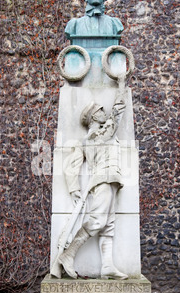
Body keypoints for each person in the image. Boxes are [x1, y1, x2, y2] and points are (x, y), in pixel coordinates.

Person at [54, 90, 128, 280]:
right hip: (103, 179)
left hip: (110, 180)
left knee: (108, 225)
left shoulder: (87, 140)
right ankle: (68, 255)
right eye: (101, 110)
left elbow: (71, 168)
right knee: (98, 220)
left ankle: (107, 266)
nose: (105, 112)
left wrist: (74, 188)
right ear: (95, 116)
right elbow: (118, 111)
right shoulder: (102, 134)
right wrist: (120, 85)